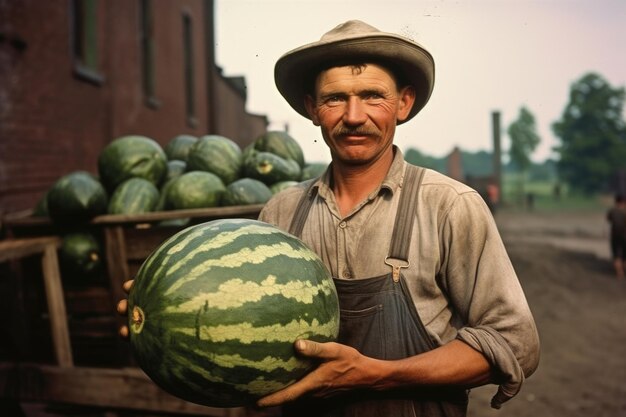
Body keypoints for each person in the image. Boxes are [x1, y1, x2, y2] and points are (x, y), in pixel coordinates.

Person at [118, 20, 540, 417]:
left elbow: (513, 342)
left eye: (373, 95)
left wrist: (377, 376)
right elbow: (246, 340)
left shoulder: (448, 205)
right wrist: (168, 312)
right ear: (312, 109)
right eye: (335, 98)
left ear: (404, 103)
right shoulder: (280, 212)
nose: (354, 116)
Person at [606, 193, 626, 278]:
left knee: (617, 255)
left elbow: (609, 220)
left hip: (615, 237)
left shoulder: (612, 211)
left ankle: (619, 273)